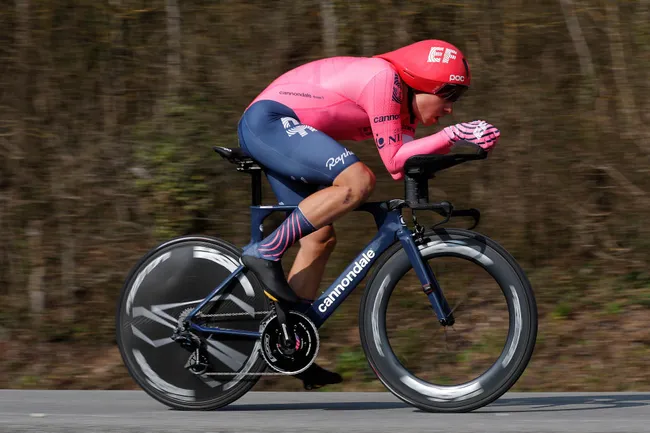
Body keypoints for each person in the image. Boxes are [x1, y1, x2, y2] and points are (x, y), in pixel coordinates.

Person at [236, 39, 501, 388]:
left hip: (281, 127)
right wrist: (453, 134)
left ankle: (291, 343)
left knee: (319, 238)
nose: (450, 109)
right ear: (421, 84)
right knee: (357, 181)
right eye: (449, 96)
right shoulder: (384, 80)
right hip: (269, 121)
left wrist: (458, 145)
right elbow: (394, 161)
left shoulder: (403, 106)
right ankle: (266, 250)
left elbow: (404, 163)